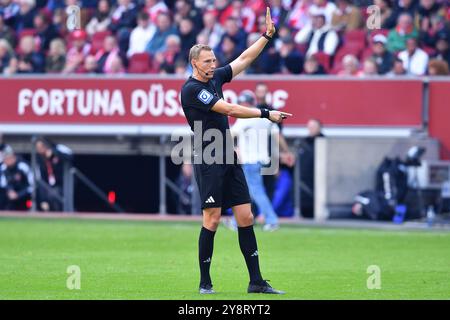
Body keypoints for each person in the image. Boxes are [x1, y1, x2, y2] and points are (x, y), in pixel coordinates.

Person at [180, 7, 290, 295]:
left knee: (246, 217)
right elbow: (228, 109)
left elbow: (244, 58)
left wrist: (266, 36)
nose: (213, 64)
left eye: (214, 59)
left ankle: (256, 281)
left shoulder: (215, 77)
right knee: (213, 219)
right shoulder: (191, 89)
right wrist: (266, 113)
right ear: (194, 63)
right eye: (207, 61)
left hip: (228, 155)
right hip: (208, 156)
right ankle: (205, 282)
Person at [228, 90, 281, 231]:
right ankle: (237, 220)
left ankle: (271, 219)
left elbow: (230, 134)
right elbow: (276, 133)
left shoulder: (246, 117)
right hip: (262, 158)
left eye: (243, 103)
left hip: (251, 160)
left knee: (255, 192)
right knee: (248, 192)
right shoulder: (264, 115)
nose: (242, 105)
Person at [299, 119, 324, 218]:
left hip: (318, 177)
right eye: (309, 127)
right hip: (305, 178)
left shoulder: (322, 141)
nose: (310, 129)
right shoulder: (304, 142)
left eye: (313, 127)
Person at [0, 146, 33, 211]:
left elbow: (33, 185)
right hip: (10, 196)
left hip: (25, 195)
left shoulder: (23, 166)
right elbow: (3, 184)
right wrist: (10, 191)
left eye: (8, 158)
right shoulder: (3, 168)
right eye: (5, 158)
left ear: (13, 157)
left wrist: (19, 194)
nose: (7, 160)